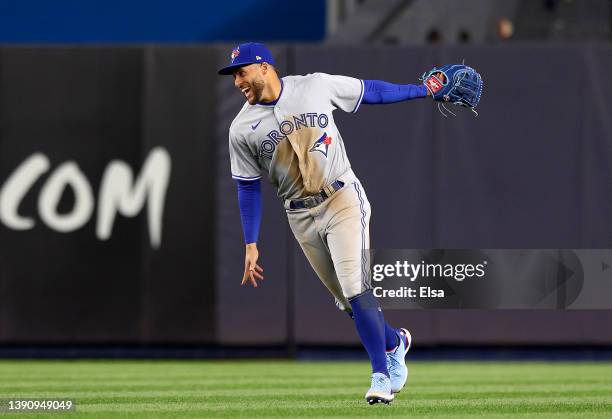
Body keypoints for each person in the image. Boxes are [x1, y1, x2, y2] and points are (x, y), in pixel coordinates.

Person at [218, 42, 435, 404]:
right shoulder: (241, 128)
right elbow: (247, 187)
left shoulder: (314, 86)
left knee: (354, 286)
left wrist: (421, 91)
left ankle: (381, 376)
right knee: (348, 303)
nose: (237, 81)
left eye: (241, 72)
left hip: (341, 198)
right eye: (233, 76)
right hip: (299, 214)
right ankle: (396, 342)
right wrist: (250, 243)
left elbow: (372, 91)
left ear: (263, 67)